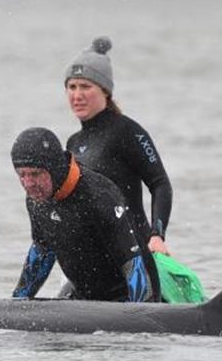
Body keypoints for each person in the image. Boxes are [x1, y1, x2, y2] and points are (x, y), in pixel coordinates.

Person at [10, 127, 158, 303]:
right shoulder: (37, 199)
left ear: (55, 168)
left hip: (126, 298)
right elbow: (43, 251)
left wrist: (140, 313)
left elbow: (133, 265)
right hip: (83, 298)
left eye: (35, 174)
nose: (28, 184)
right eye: (21, 175)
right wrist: (17, 303)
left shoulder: (99, 195)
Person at [63, 36, 173, 261]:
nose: (77, 95)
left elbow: (160, 183)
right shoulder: (73, 143)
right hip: (95, 258)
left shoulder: (126, 130)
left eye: (85, 86)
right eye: (71, 87)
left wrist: (157, 235)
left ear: (105, 91)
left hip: (135, 252)